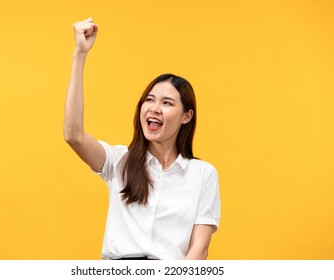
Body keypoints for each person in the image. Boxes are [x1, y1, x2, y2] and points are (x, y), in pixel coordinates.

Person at [64, 18, 221, 260]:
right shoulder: (119, 161)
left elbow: (199, 250)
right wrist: (79, 54)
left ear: (186, 116)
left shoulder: (203, 174)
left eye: (167, 103)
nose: (155, 108)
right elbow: (73, 136)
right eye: (150, 99)